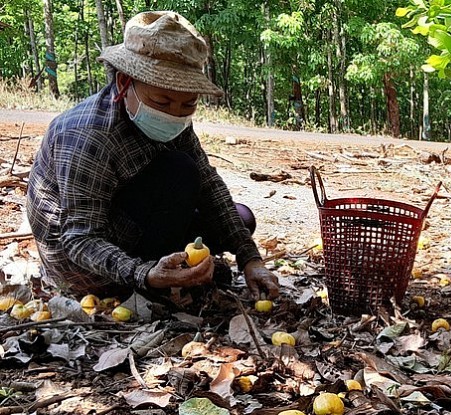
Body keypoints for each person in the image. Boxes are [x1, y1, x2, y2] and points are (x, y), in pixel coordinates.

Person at [26, 11, 279, 300]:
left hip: (139, 219)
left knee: (240, 219)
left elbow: (208, 185)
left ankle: (172, 268)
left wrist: (250, 258)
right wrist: (143, 273)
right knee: (179, 171)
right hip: (83, 265)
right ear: (124, 82)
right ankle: (157, 281)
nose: (174, 114)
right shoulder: (88, 136)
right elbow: (80, 239)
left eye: (188, 105)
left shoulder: (175, 120)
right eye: (162, 101)